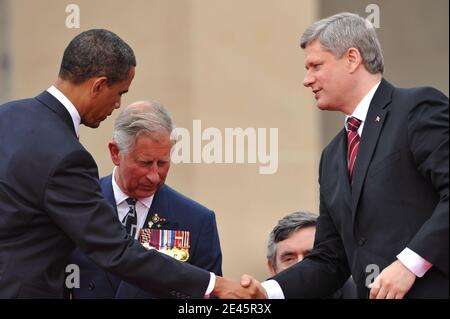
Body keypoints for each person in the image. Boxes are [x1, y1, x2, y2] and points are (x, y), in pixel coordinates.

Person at [0, 29, 263, 299]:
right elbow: (116, 250)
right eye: (119, 93)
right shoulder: (67, 155)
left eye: (162, 162)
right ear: (99, 85)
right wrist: (215, 285)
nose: (117, 105)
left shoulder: (5, 118)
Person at [249, 12, 448, 299]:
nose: (307, 80)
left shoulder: (417, 109)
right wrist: (266, 292)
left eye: (316, 66)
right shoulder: (331, 156)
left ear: (352, 59)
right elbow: (331, 259)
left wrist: (409, 264)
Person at [69, 101, 222, 298]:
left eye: (163, 163)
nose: (154, 176)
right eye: (145, 163)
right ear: (115, 153)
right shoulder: (76, 206)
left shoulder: (197, 222)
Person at [266, 211, 357, 298]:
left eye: (312, 257)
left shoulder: (360, 294)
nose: (301, 266)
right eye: (289, 259)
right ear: (272, 269)